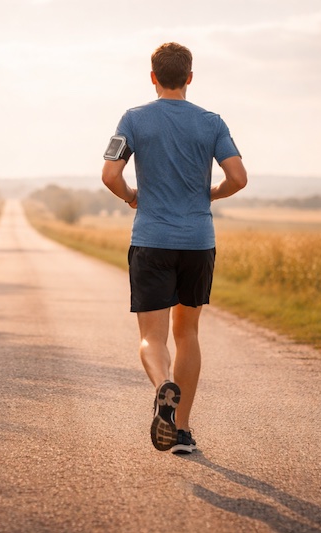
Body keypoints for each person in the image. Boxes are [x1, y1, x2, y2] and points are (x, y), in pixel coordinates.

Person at [101, 42, 247, 454]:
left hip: (151, 240)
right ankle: (181, 431)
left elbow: (110, 174)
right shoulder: (211, 122)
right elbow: (238, 177)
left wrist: (132, 195)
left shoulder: (134, 119)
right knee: (188, 334)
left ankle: (163, 383)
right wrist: (210, 196)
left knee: (152, 336)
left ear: (152, 77)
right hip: (198, 243)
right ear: (189, 77)